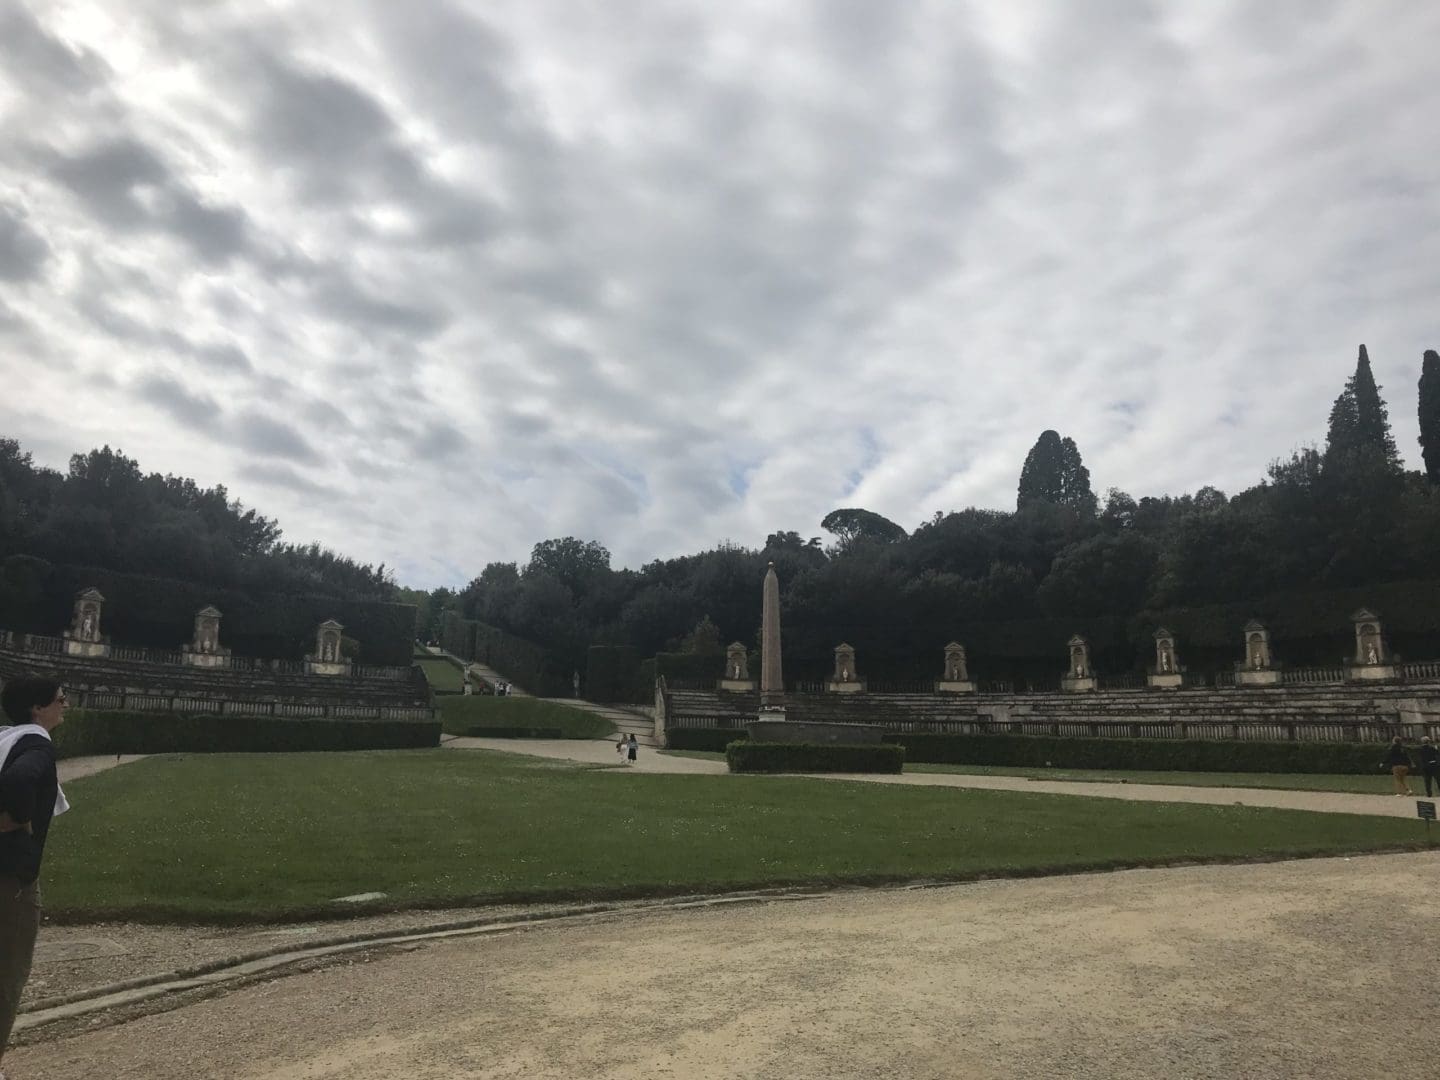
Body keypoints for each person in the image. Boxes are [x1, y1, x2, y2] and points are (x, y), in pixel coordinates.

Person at [0, 676, 70, 1077]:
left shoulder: (5, 738)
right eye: (60, 699)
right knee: (7, 977)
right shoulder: (38, 744)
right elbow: (20, 780)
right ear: (37, 709)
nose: (66, 705)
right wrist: (15, 821)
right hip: (10, 881)